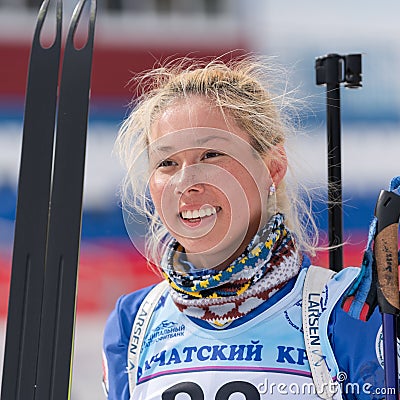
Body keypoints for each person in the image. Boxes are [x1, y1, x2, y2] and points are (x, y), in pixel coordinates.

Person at [102, 55, 390, 400]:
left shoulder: (344, 311)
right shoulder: (132, 322)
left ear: (273, 167)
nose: (186, 182)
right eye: (167, 162)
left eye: (211, 155)